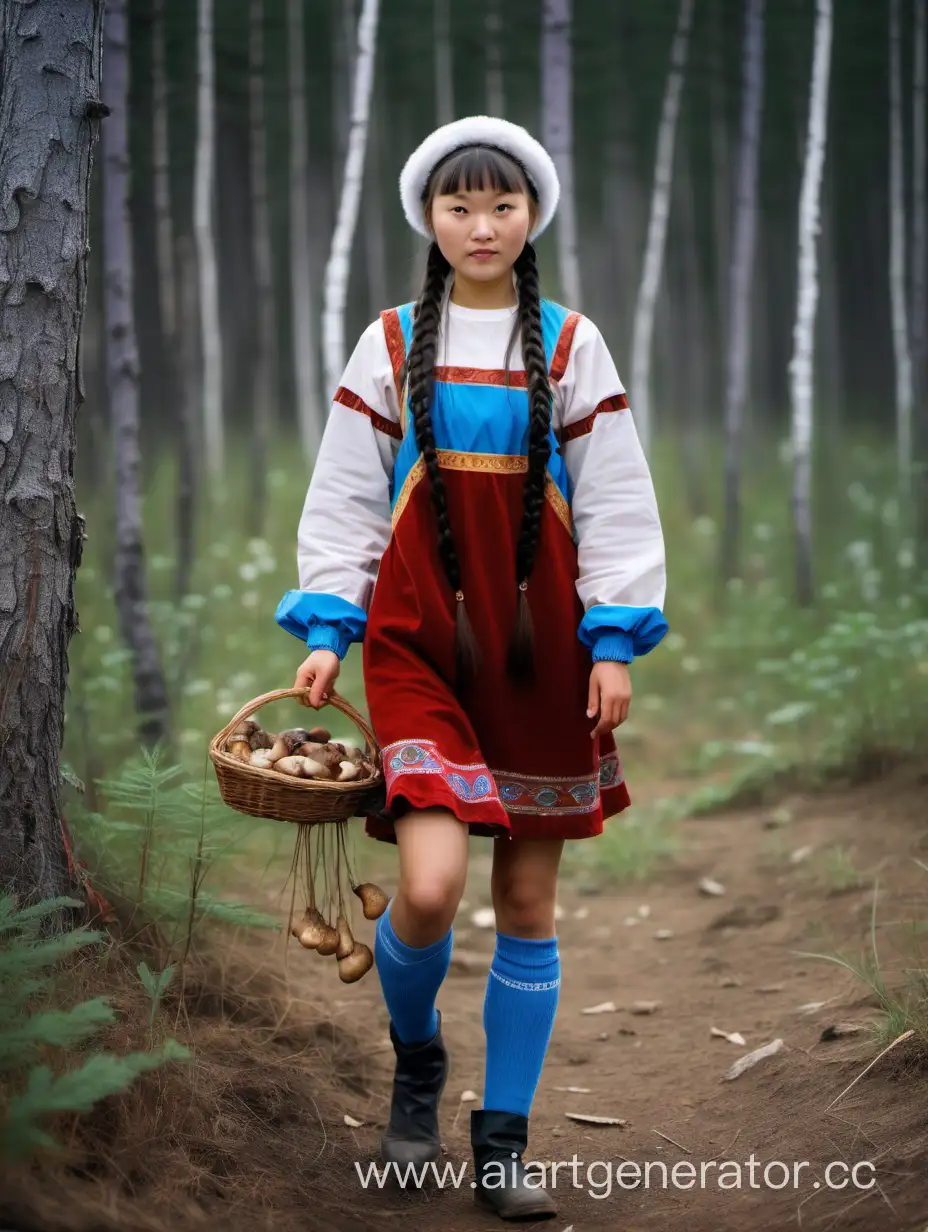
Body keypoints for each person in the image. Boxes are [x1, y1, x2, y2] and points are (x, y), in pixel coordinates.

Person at [276, 115, 668, 1221]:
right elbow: (348, 497)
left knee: (529, 900)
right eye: (459, 205)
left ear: (531, 216)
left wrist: (614, 639)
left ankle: (502, 1141)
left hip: (545, 649)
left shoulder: (574, 344)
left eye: (501, 205)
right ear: (430, 220)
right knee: (433, 883)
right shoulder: (390, 341)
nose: (481, 224)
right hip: (416, 641)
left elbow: (617, 498)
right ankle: (416, 1067)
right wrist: (326, 628)